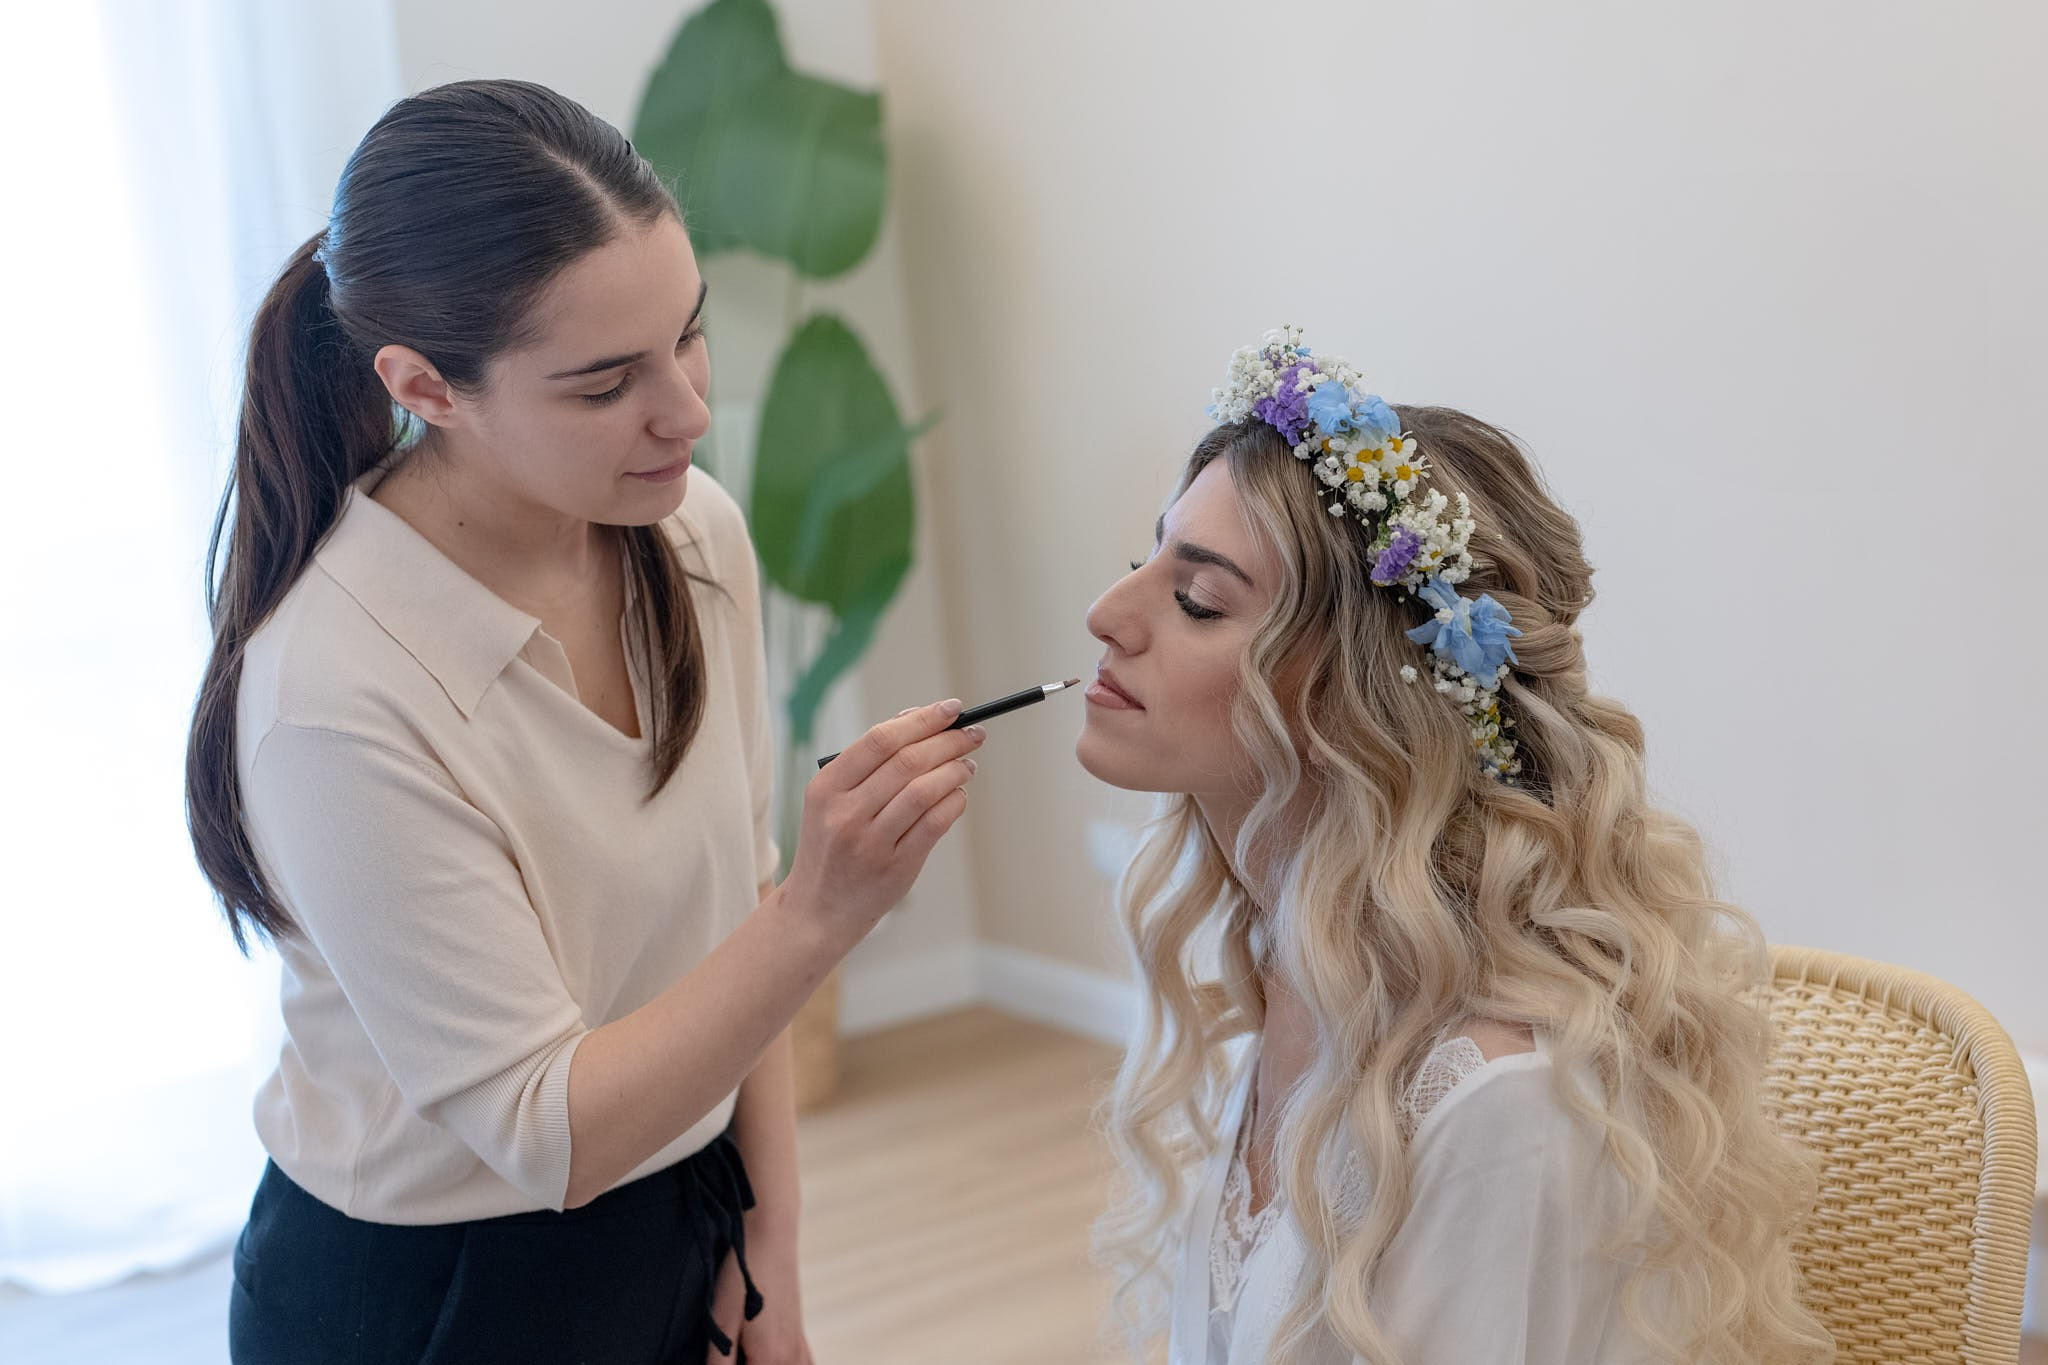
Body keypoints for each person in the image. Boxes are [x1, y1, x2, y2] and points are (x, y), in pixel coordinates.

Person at [183, 79, 984, 1364]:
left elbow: (737, 905)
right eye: (607, 382)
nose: (687, 411)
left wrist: (766, 1255)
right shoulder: (332, 697)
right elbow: (545, 1132)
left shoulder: (691, 533)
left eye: (688, 335)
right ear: (426, 386)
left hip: (678, 1208)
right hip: (431, 1290)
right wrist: (826, 910)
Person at [1076, 328, 1835, 1364]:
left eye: (1197, 601)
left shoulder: (1491, 1103)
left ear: (1350, 696)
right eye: (1147, 559)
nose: (1105, 614)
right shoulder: (1293, 981)